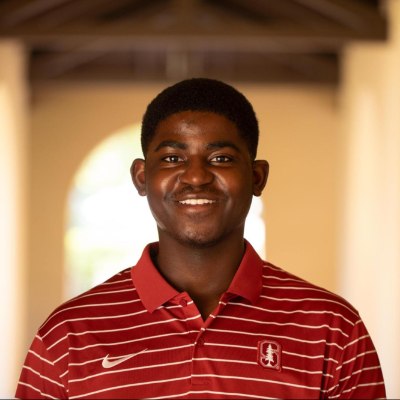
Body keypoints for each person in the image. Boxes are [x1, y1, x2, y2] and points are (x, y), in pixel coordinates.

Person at [16, 78, 385, 399]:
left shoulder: (332, 328)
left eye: (221, 158)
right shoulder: (69, 334)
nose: (196, 177)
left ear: (257, 177)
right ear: (142, 177)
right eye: (173, 159)